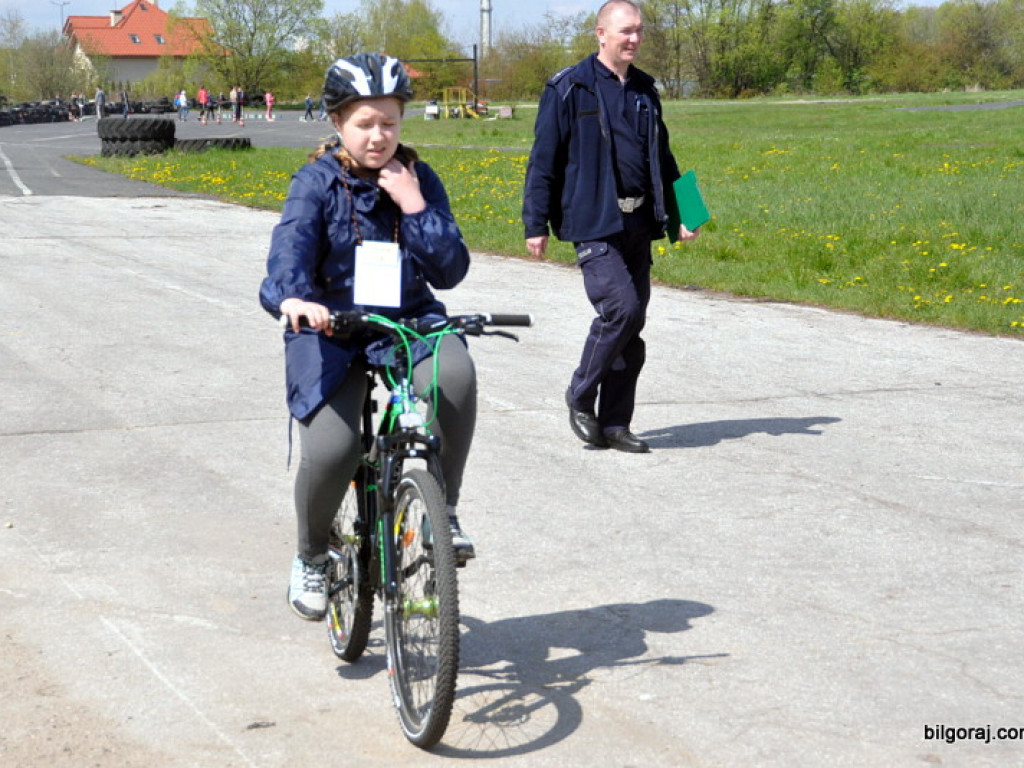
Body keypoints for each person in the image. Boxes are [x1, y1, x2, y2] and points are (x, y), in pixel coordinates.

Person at [259, 53, 476, 621]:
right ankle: (311, 555)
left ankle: (443, 509)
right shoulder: (314, 183)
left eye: (389, 122)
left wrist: (415, 205)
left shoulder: (417, 177)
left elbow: (450, 270)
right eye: (364, 123)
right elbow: (288, 253)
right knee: (333, 448)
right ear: (337, 123)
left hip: (404, 319)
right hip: (328, 326)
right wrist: (293, 300)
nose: (378, 136)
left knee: (454, 375)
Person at [522, 0, 700, 454]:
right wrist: (534, 222)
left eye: (639, 31)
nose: (634, 39)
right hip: (593, 221)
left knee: (632, 323)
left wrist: (689, 213)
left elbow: (664, 156)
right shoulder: (568, 87)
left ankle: (616, 423)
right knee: (620, 308)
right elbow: (544, 160)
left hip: (639, 222)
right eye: (625, 31)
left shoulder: (645, 89)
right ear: (601, 34)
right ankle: (580, 394)